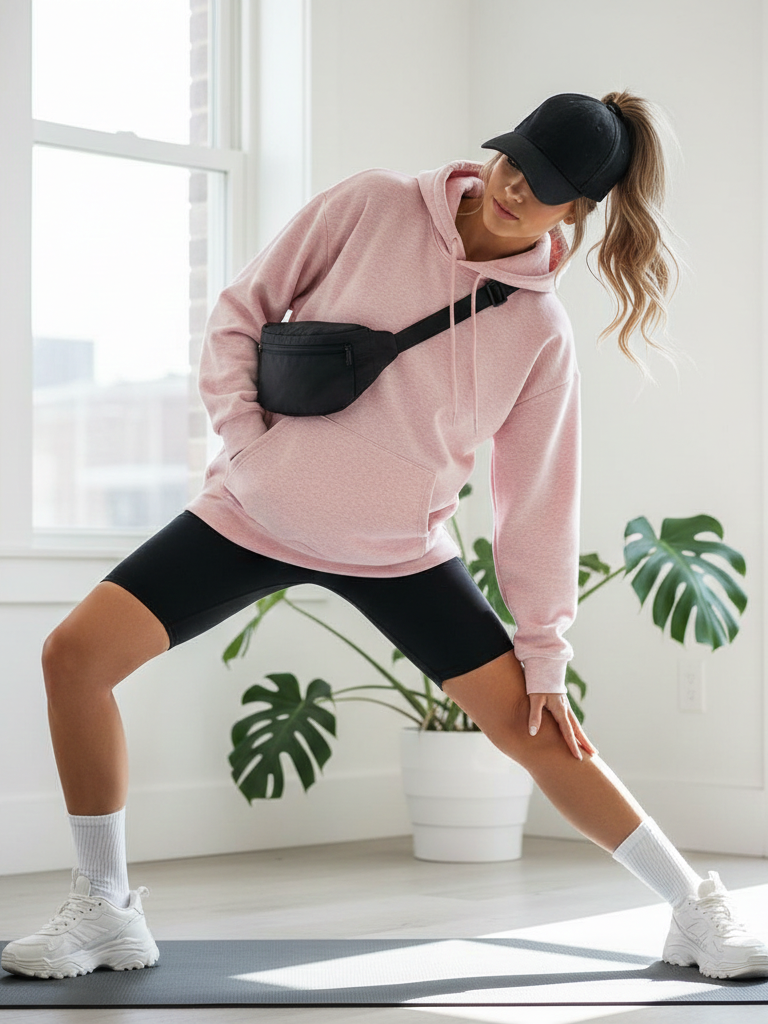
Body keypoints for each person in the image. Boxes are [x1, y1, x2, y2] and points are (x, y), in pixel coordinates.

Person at [3, 90, 767, 983]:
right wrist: (252, 449)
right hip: (252, 514)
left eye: (544, 185)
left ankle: (691, 910)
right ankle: (106, 909)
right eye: (512, 160)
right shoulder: (371, 205)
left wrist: (545, 650)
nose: (512, 187)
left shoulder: (537, 333)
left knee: (540, 727)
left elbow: (538, 501)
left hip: (399, 551)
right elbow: (240, 312)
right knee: (73, 656)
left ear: (580, 211)